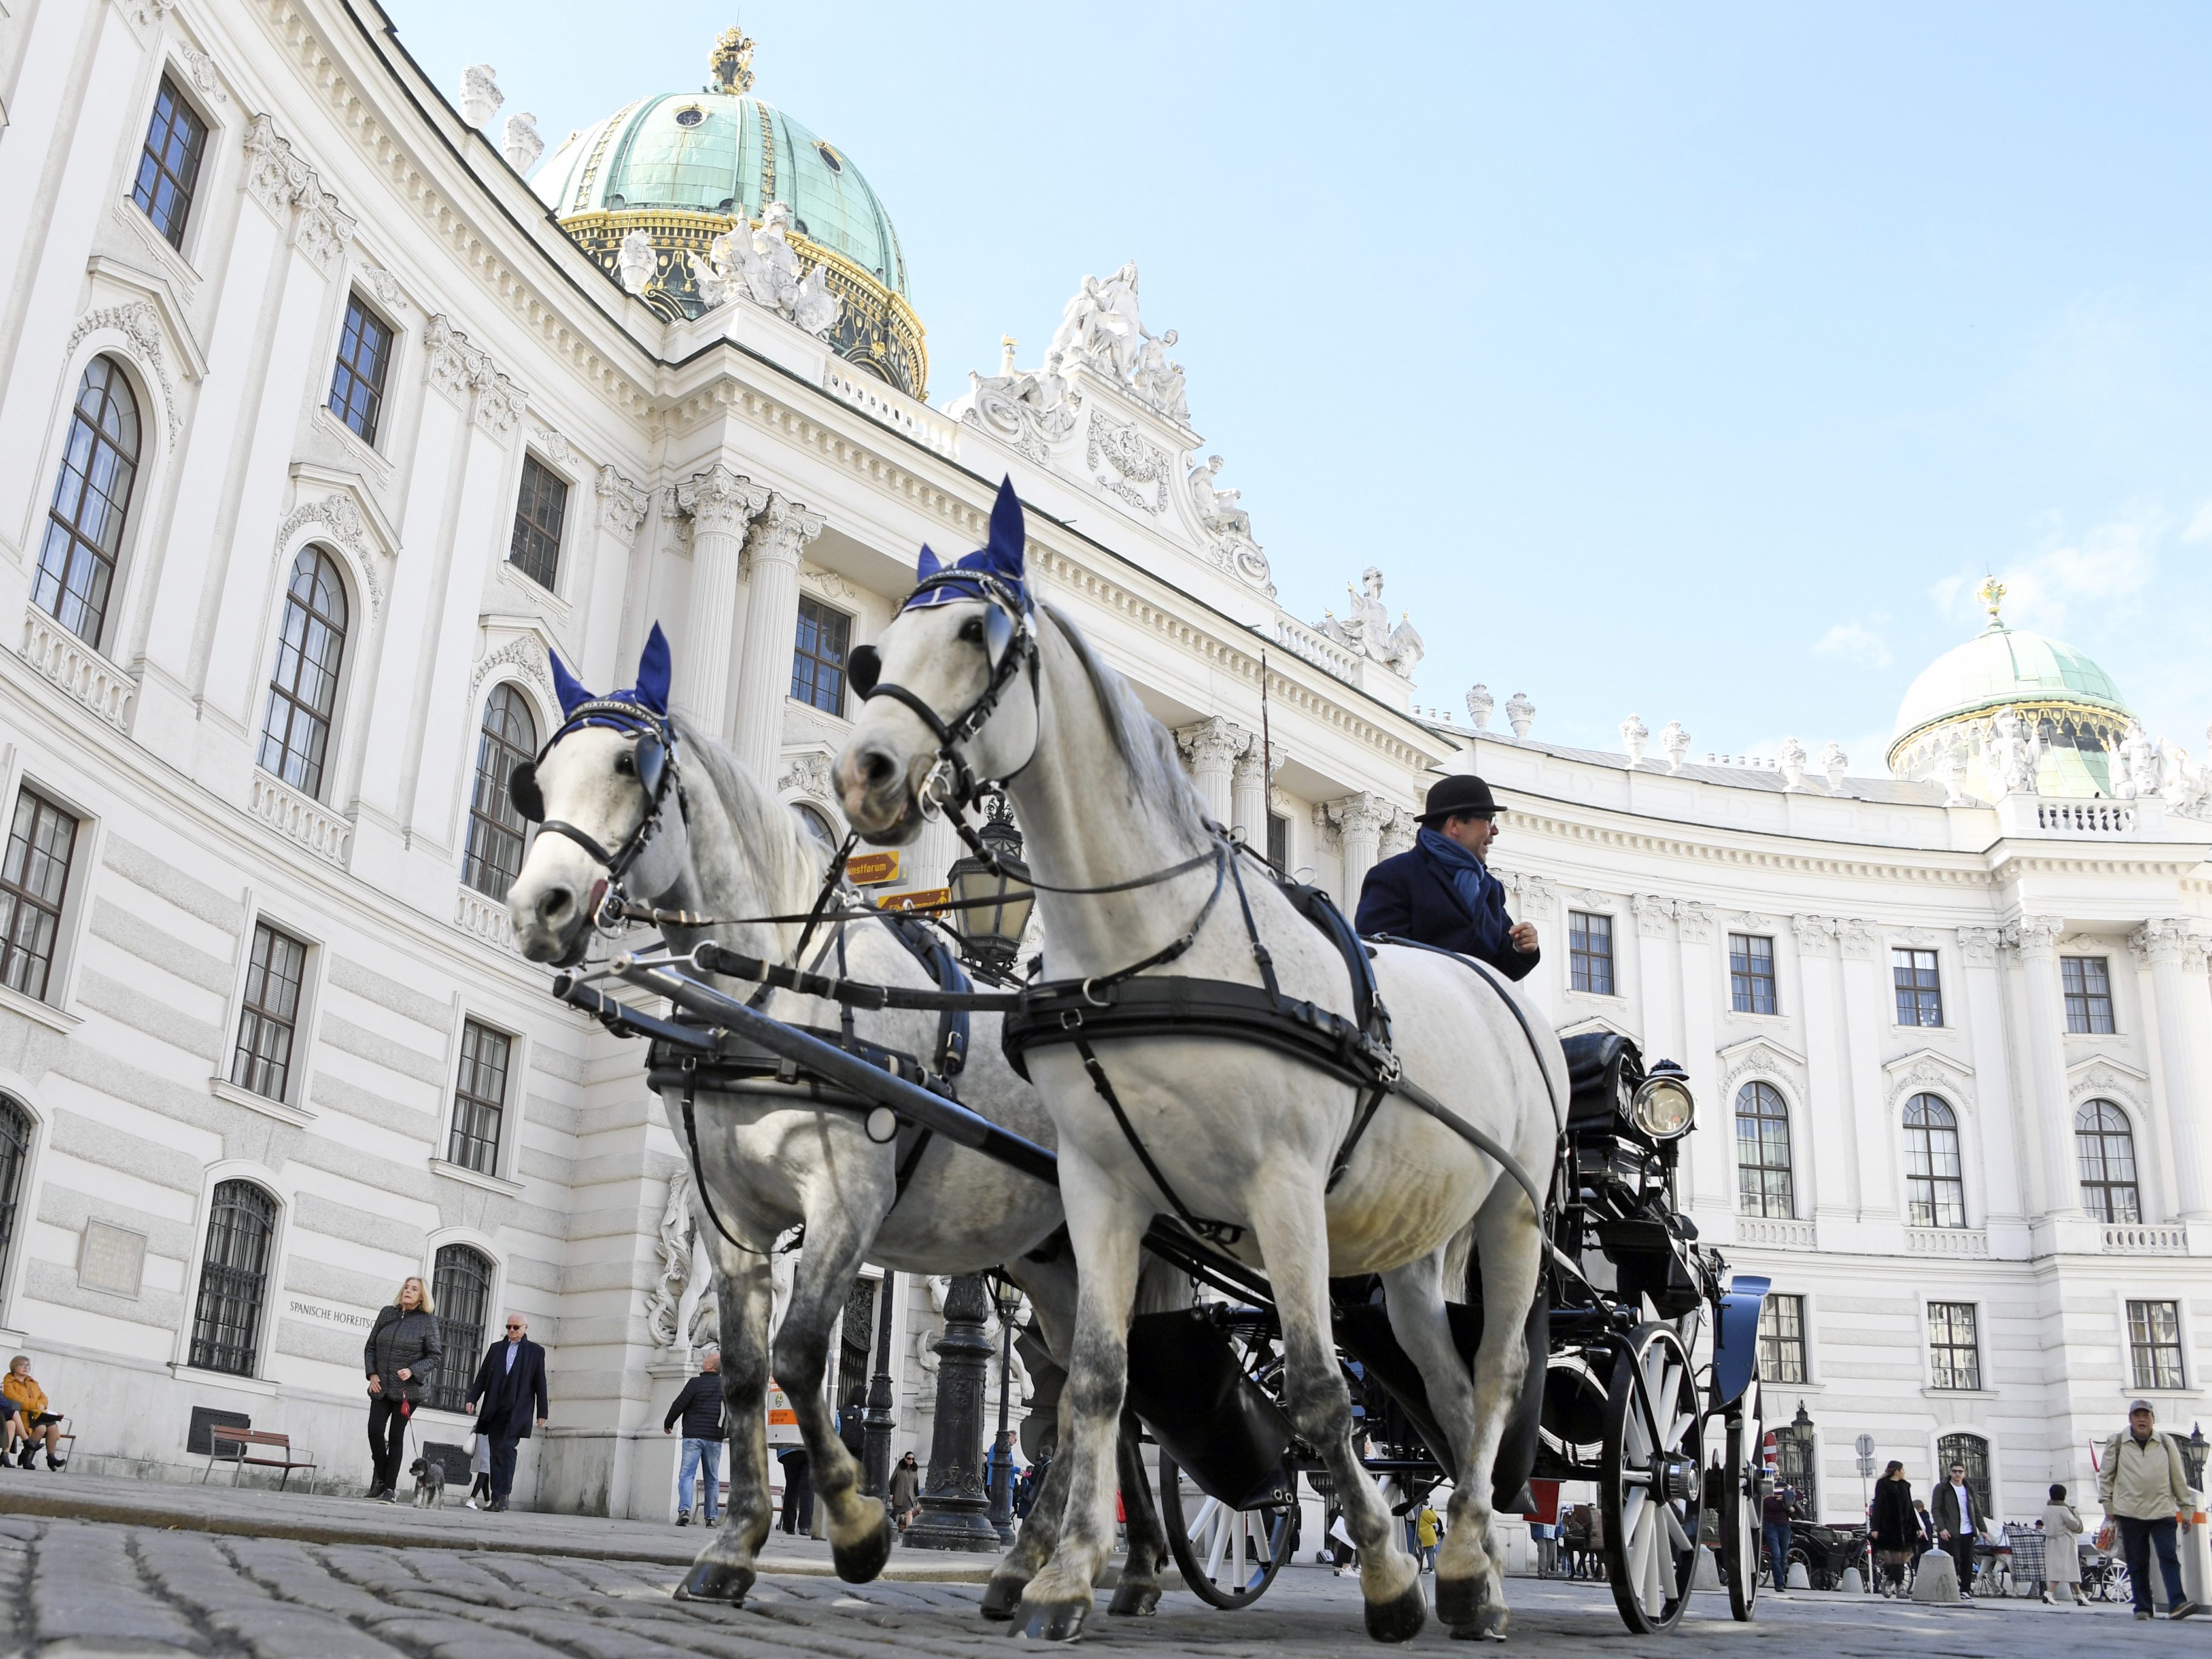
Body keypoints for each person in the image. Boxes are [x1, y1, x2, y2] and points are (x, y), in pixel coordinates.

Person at [1354, 775, 1541, 979]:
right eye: (1489, 820)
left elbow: (1501, 970)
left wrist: (1520, 948)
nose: (1495, 831)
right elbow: (1383, 957)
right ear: (1455, 825)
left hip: (1476, 1008)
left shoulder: (1490, 887)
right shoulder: (1394, 875)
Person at [2099, 1399, 2202, 1620]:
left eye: (2146, 1416)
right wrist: (2108, 1505)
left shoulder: (2166, 1443)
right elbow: (2106, 1477)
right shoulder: (2117, 1443)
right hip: (2130, 1511)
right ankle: (2143, 1607)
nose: (2142, 1419)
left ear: (2153, 1420)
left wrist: (2186, 1509)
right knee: (2138, 1562)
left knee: (2169, 1556)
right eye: (2138, 1416)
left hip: (2162, 1510)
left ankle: (2177, 1604)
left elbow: (2178, 1477)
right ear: (2131, 1419)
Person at [360, 1277, 441, 1503]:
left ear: (422, 1296)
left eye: (414, 1289)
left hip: (409, 1390)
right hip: (381, 1386)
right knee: (374, 1431)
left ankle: (389, 1489)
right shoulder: (388, 1313)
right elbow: (371, 1347)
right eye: (406, 1287)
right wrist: (372, 1374)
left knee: (396, 1436)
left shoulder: (427, 1321)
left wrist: (413, 1370)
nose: (408, 1291)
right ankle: (383, 1479)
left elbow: (435, 1355)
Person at [463, 1312, 548, 1514]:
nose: (511, 1331)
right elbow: (482, 1377)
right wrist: (472, 1398)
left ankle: (504, 1495)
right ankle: (496, 1498)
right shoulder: (496, 1349)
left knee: (508, 1450)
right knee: (494, 1453)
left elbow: (540, 1382)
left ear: (525, 1328)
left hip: (518, 1410)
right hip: (494, 1408)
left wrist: (542, 1411)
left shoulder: (536, 1352)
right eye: (509, 1327)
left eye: (516, 1328)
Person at [662, 1349, 726, 1528]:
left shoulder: (695, 1383)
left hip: (693, 1437)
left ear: (710, 1366)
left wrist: (669, 1423)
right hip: (715, 1438)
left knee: (687, 1475)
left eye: (707, 1359)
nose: (704, 1359)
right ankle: (711, 1518)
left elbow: (679, 1404)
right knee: (712, 1478)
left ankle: (684, 1511)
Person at [1931, 1460, 1985, 1601]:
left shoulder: (1968, 1489)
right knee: (1952, 1561)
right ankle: (1950, 1589)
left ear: (1964, 1473)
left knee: (1967, 1562)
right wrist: (1942, 1528)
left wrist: (1982, 1529)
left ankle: (1965, 1590)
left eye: (1960, 1472)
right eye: (1954, 1471)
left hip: (1967, 1530)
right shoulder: (1942, 1488)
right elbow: (1936, 1509)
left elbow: (1976, 1510)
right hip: (1950, 1531)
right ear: (1950, 1472)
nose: (1957, 1474)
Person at [3, 1356, 67, 1471]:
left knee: (52, 1426)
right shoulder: (8, 1383)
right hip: (22, 1417)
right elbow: (15, 1399)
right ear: (14, 1366)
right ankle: (27, 1458)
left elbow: (44, 1399)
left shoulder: (32, 1382)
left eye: (28, 1365)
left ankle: (51, 1457)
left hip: (37, 1416)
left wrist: (39, 1405)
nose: (26, 1368)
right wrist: (37, 1405)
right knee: (42, 1428)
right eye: (22, 1365)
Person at [1869, 1460, 1915, 1597]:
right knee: (1896, 1558)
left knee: (1901, 1558)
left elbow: (1910, 1507)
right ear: (1897, 1471)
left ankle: (1889, 1582)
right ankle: (1900, 1587)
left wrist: (1917, 1527)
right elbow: (1878, 1506)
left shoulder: (1905, 1486)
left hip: (1905, 1527)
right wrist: (1875, 1527)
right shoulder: (1883, 1485)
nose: (1904, 1472)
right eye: (1903, 1470)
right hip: (1889, 1526)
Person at [2042, 1482, 2085, 1606]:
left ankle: (2080, 1596)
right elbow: (2074, 1525)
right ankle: (2049, 1593)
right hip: (2065, 1542)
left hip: (2051, 1542)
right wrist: (2076, 1516)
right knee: (2064, 1568)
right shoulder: (2063, 1509)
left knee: (2069, 1570)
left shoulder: (2046, 1509)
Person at [1761, 1484, 1796, 1594]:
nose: (1776, 1473)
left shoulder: (1786, 1486)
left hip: (1785, 1526)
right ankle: (1779, 1583)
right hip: (1771, 1525)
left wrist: (1785, 1501)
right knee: (1776, 1555)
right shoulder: (1766, 1484)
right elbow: (1769, 1504)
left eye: (1777, 1471)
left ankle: (1781, 1581)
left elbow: (1794, 1499)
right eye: (1774, 1471)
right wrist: (1785, 1503)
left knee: (1783, 1557)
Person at [778, 1444, 813, 1534]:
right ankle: (805, 1526)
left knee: (791, 1487)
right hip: (810, 1448)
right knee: (808, 1488)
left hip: (788, 1449)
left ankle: (789, 1525)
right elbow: (836, 1430)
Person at [889, 1449, 921, 1533]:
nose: (911, 1461)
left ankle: (909, 1531)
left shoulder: (914, 1469)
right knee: (895, 1512)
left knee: (909, 1511)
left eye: (913, 1459)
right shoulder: (900, 1468)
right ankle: (890, 1527)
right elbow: (893, 1480)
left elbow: (916, 1483)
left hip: (910, 1495)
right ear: (905, 1459)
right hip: (899, 1495)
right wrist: (891, 1493)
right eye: (909, 1458)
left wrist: (918, 1496)